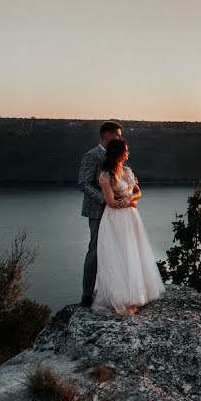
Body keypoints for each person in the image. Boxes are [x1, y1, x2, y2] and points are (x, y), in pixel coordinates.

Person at [93, 139, 165, 315]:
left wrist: (129, 199)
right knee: (118, 256)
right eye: (126, 151)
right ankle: (122, 299)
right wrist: (130, 204)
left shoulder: (128, 171)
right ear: (118, 154)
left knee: (134, 253)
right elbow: (110, 202)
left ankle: (136, 295)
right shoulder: (105, 175)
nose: (128, 154)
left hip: (131, 218)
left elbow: (138, 192)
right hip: (115, 220)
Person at [78, 121, 125, 307]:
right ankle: (87, 295)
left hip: (117, 213)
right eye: (117, 134)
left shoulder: (117, 157)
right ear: (106, 134)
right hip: (98, 211)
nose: (120, 138)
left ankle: (114, 291)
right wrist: (105, 199)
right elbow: (83, 183)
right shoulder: (92, 156)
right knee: (95, 251)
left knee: (117, 250)